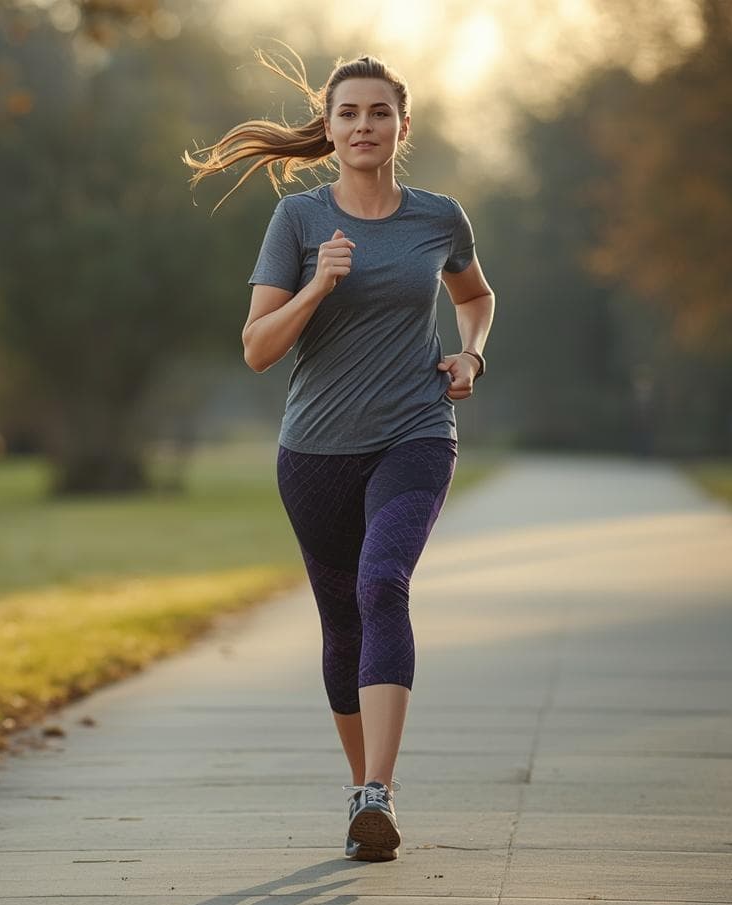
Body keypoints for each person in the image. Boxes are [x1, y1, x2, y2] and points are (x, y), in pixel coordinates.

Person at [184, 50, 496, 863]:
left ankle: (377, 790)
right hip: (315, 452)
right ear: (329, 127)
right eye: (349, 113)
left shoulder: (440, 218)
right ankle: (365, 796)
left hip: (415, 434)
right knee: (342, 625)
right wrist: (317, 287)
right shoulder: (298, 222)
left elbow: (476, 296)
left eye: (379, 113)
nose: (364, 126)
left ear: (401, 126)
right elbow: (256, 349)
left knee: (383, 583)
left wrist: (470, 356)